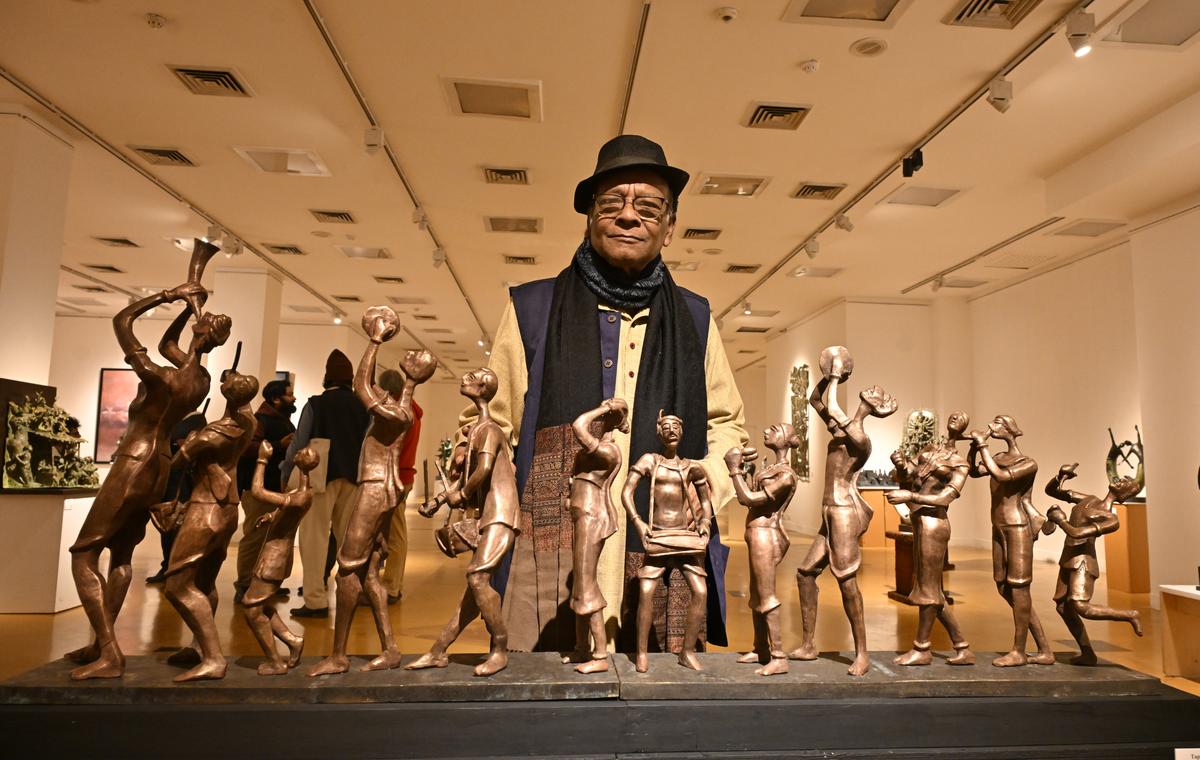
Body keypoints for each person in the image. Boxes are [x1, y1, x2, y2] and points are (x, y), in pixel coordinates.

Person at [461, 134, 747, 655]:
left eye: (648, 207)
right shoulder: (532, 308)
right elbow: (493, 422)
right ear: (590, 216)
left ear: (669, 225)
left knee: (656, 712)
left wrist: (700, 481)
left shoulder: (697, 319)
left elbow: (728, 425)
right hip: (550, 549)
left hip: (663, 545)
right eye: (612, 203)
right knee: (544, 704)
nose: (629, 217)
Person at [68, 253, 230, 680]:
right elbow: (166, 346)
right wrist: (182, 311)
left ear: (199, 333)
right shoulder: (200, 380)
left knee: (83, 556)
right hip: (158, 465)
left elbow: (122, 322)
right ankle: (100, 644)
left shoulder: (164, 379)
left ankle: (108, 650)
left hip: (133, 461)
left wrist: (169, 295)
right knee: (121, 553)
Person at [309, 308, 435, 676]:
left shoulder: (397, 414)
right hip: (380, 488)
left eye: (412, 360)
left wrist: (375, 340)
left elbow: (361, 386)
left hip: (375, 491)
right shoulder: (402, 410)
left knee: (346, 572)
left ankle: (338, 655)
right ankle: (390, 649)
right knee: (368, 575)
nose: (408, 356)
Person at [791, 347, 897, 677]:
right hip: (828, 512)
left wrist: (835, 375)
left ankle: (862, 653)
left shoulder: (859, 437)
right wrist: (825, 377)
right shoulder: (841, 429)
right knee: (805, 573)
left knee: (847, 582)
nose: (873, 389)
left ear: (878, 407)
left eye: (877, 393)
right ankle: (809, 644)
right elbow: (816, 402)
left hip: (843, 512)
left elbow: (833, 406)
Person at [409, 368, 519, 677]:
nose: (464, 378)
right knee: (474, 593)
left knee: (477, 578)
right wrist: (440, 500)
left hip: (502, 514)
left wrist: (462, 494)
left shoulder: (490, 430)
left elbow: (483, 471)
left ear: (483, 388)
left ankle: (500, 649)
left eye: (472, 376)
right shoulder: (477, 431)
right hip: (490, 514)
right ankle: (438, 650)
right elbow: (470, 478)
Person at [162, 364, 258, 682]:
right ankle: (197, 646)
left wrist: (190, 436)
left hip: (206, 508)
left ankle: (214, 657)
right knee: (204, 582)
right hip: (228, 507)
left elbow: (176, 462)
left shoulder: (213, 433)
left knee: (177, 584)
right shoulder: (248, 422)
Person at [623, 412, 714, 673]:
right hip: (659, 537)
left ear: (682, 432)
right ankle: (641, 653)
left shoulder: (692, 468)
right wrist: (638, 522)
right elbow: (627, 491)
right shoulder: (650, 461)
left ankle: (686, 651)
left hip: (684, 537)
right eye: (665, 426)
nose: (671, 430)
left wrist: (705, 524)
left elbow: (705, 501)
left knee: (700, 591)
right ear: (658, 432)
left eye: (675, 426)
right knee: (646, 592)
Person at [284, 349, 369, 618]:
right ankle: (352, 594)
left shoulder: (316, 404)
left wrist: (286, 473)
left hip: (320, 476)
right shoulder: (363, 407)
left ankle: (316, 600)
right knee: (350, 543)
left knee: (314, 538)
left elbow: (299, 443)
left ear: (326, 377)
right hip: (354, 478)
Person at [886, 412, 975, 667]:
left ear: (965, 428)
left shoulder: (960, 463)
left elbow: (946, 498)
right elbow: (907, 475)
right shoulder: (931, 448)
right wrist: (902, 464)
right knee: (931, 588)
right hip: (919, 522)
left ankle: (922, 648)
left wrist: (910, 498)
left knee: (928, 589)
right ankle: (962, 646)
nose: (957, 416)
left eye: (962, 417)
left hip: (934, 523)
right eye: (954, 415)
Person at [967, 415, 1056, 667]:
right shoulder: (996, 457)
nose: (991, 427)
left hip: (1018, 526)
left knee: (1019, 588)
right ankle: (1045, 649)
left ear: (1008, 430)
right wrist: (974, 448)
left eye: (997, 423)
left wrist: (982, 445)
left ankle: (1019, 651)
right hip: (998, 526)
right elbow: (975, 471)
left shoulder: (1028, 463)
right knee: (1004, 587)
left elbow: (1002, 477)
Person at [1044, 463, 1144, 665]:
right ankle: (1088, 653)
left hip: (1083, 562)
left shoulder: (1110, 518)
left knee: (1082, 607)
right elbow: (1052, 491)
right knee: (1063, 607)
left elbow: (1077, 533)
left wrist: (1061, 519)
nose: (1121, 479)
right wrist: (1060, 476)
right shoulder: (1088, 499)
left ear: (1125, 493)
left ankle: (1129, 614)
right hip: (1068, 558)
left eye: (1127, 481)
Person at [726, 423, 799, 677]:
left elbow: (751, 500)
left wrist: (734, 470)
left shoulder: (786, 475)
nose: (767, 430)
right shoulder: (772, 469)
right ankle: (761, 649)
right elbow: (745, 497)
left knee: (767, 596)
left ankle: (779, 656)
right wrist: (746, 473)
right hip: (755, 534)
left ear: (787, 441)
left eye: (775, 429)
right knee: (756, 595)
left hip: (766, 536)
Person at [563, 398, 629, 674]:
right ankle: (582, 648)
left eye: (605, 413)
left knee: (587, 583)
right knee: (580, 581)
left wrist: (605, 409)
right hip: (584, 515)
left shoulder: (610, 451)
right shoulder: (597, 448)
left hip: (593, 517)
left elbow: (578, 425)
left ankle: (600, 654)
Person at [242, 441, 318, 675]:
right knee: (259, 606)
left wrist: (262, 459)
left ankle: (275, 661)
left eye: (306, 452)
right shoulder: (299, 492)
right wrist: (271, 516)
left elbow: (258, 492)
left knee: (251, 610)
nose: (301, 451)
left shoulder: (301, 496)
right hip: (272, 555)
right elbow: (284, 507)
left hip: (274, 559)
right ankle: (292, 640)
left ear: (307, 464)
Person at [233, 379, 296, 603]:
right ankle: (244, 583)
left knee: (271, 537)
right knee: (255, 536)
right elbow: (247, 448)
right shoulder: (260, 420)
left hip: (275, 488)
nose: (294, 398)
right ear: (276, 399)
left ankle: (264, 581)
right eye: (289, 395)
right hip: (258, 489)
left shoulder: (282, 421)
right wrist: (279, 445)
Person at [146, 406, 208, 585]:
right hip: (167, 478)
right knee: (167, 523)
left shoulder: (196, 420)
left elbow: (196, 448)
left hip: (183, 480)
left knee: (180, 523)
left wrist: (181, 444)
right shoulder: (171, 417)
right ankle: (167, 565)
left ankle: (178, 567)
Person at [377, 369, 424, 604]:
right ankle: (389, 584)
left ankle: (391, 587)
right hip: (401, 477)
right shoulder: (411, 410)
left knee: (395, 535)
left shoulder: (400, 414)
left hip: (395, 478)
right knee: (390, 533)